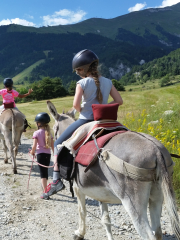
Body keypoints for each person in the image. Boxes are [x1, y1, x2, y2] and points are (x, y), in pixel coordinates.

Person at [45, 49, 124, 197]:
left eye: (78, 70)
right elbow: (119, 101)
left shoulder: (81, 83)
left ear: (84, 69)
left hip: (85, 120)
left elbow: (75, 105)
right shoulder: (108, 81)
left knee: (57, 144)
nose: (77, 73)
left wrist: (84, 109)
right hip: (105, 121)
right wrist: (102, 107)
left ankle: (56, 181)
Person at [29, 112, 54, 200]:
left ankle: (45, 192)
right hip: (48, 154)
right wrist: (55, 155)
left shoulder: (36, 133)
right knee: (45, 172)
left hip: (40, 155)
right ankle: (45, 188)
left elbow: (34, 146)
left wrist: (32, 152)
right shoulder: (49, 133)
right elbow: (52, 145)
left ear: (39, 123)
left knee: (42, 174)